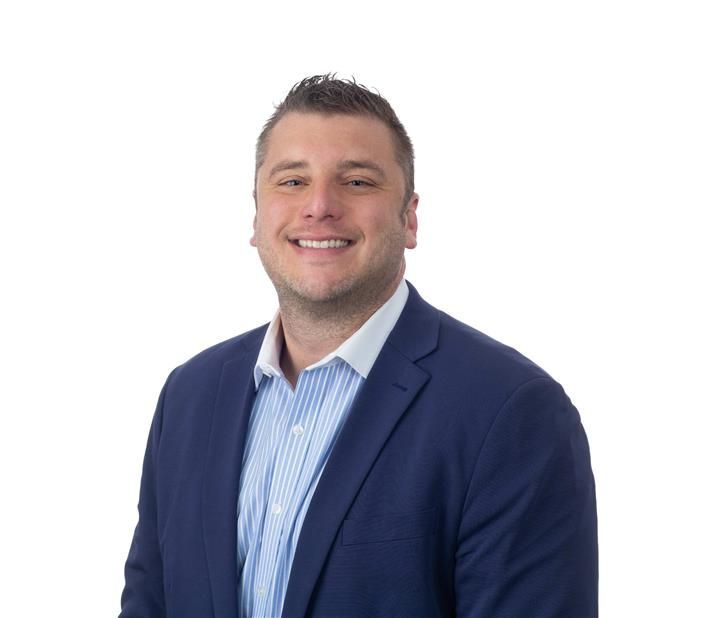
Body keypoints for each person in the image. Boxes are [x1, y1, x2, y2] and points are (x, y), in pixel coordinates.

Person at [119, 74, 598, 617]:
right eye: (292, 181)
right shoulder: (190, 396)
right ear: (256, 216)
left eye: (357, 181)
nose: (319, 206)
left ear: (409, 218)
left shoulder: (510, 411)